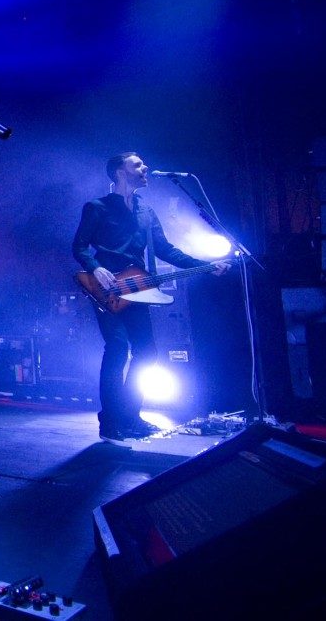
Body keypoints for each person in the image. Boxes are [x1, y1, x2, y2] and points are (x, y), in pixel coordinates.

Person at [71, 152, 228, 446]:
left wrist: (206, 266)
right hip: (107, 289)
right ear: (120, 172)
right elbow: (79, 247)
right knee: (117, 347)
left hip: (139, 288)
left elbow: (166, 250)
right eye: (137, 165)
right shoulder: (97, 207)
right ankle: (110, 422)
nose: (145, 168)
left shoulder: (146, 210)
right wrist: (96, 268)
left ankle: (131, 417)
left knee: (146, 353)